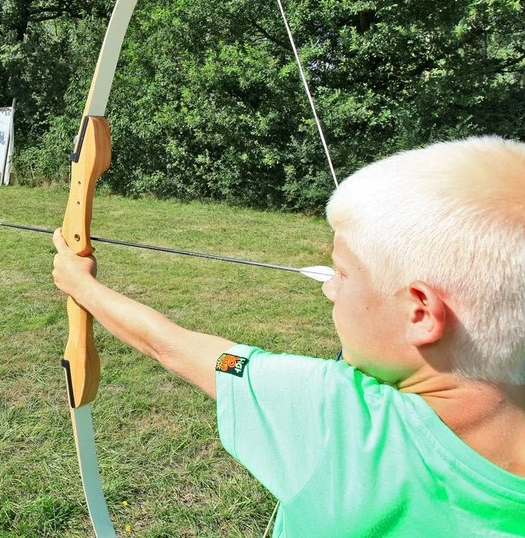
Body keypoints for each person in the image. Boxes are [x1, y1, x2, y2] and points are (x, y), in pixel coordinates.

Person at [51, 136, 525, 536]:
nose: (329, 289)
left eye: (343, 273)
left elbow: (169, 345)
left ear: (419, 312)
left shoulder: (334, 413)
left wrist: (81, 286)